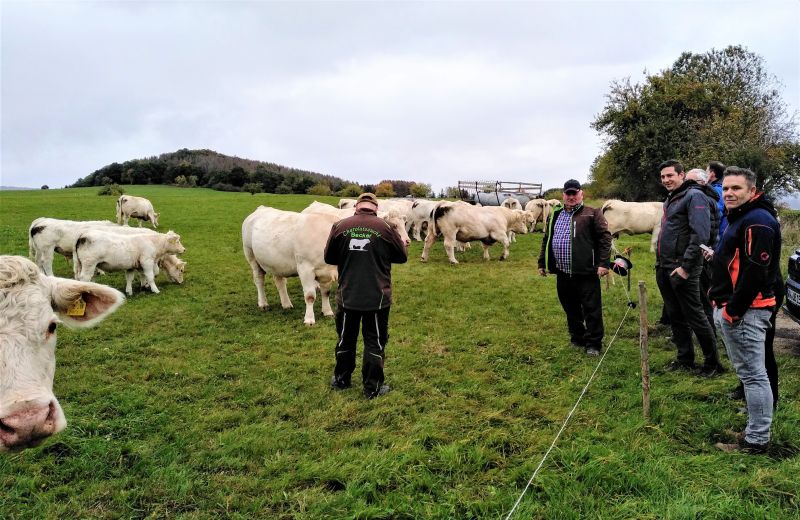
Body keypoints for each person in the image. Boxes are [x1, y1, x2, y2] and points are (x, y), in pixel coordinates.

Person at [709, 167, 781, 453]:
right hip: (734, 305)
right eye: (726, 188)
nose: (729, 193)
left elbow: (756, 272)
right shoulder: (741, 217)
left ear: (752, 191)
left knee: (754, 375)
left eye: (736, 188)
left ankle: (756, 441)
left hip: (747, 310)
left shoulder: (757, 222)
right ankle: (754, 428)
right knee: (750, 373)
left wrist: (733, 310)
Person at [324, 192, 409, 399]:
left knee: (346, 338)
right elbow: (401, 257)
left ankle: (341, 379)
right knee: (375, 341)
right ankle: (372, 387)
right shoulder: (386, 228)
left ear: (357, 207)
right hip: (377, 298)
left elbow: (329, 257)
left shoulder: (340, 227)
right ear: (376, 208)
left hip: (348, 296)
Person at [655, 160, 724, 377]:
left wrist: (686, 267)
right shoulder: (672, 197)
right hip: (665, 266)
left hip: (683, 268)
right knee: (675, 315)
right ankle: (685, 359)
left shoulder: (695, 196)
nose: (666, 180)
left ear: (681, 175)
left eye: (670, 176)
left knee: (696, 315)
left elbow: (700, 235)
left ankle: (713, 363)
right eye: (663, 177)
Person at [538, 179, 612, 356]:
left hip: (586, 271)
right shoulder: (555, 214)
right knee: (570, 307)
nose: (571, 197)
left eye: (574, 193)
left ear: (581, 194)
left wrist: (603, 263)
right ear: (563, 195)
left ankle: (594, 343)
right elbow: (546, 240)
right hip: (563, 271)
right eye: (568, 193)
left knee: (591, 308)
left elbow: (605, 238)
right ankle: (577, 337)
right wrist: (542, 262)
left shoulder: (592, 213)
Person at [707, 161, 727, 238]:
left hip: (717, 234)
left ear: (712, 173)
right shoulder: (720, 188)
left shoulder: (716, 190)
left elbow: (716, 213)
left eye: (706, 171)